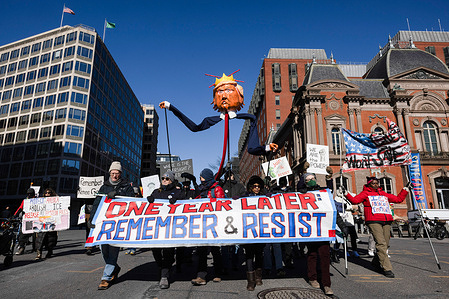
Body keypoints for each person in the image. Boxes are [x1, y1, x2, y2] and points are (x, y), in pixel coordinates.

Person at [343, 176, 409, 278]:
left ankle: (375, 262)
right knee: (381, 243)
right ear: (369, 184)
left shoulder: (383, 194)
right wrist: (346, 193)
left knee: (385, 244)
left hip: (386, 220)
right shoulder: (365, 193)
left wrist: (405, 189)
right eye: (373, 183)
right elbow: (355, 201)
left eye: (377, 183)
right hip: (373, 220)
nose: (375, 185)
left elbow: (398, 199)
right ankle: (387, 268)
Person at [298, 171, 347, 296]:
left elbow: (332, 210)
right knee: (312, 254)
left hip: (323, 229)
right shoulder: (302, 193)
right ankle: (313, 278)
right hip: (310, 230)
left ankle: (326, 284)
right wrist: (302, 190)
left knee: (325, 256)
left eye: (313, 178)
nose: (312, 180)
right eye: (308, 179)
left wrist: (342, 226)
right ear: (305, 182)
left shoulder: (324, 193)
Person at [90, 161, 134, 290]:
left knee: (113, 249)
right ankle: (114, 267)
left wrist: (118, 197)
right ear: (110, 173)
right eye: (113, 173)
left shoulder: (126, 186)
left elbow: (131, 202)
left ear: (120, 174)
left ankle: (106, 278)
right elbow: (97, 204)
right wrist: (92, 220)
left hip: (118, 223)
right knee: (104, 250)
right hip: (104, 223)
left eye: (117, 173)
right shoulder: (104, 187)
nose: (114, 175)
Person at [147, 170, 185, 289]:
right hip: (157, 227)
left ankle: (164, 275)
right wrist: (149, 200)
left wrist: (178, 201)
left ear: (172, 180)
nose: (164, 180)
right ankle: (162, 266)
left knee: (168, 251)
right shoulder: (156, 192)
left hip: (171, 227)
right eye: (163, 178)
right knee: (156, 250)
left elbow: (187, 206)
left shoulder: (178, 192)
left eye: (167, 179)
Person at [191, 168, 225, 286]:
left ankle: (218, 273)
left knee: (215, 250)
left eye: (202, 177)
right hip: (203, 225)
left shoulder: (217, 189)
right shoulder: (201, 190)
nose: (201, 179)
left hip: (214, 224)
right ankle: (201, 276)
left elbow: (222, 204)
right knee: (202, 251)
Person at [243, 175, 266, 291]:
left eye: (258, 186)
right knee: (249, 255)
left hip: (260, 230)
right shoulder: (244, 197)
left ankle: (258, 276)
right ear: (250, 187)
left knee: (259, 254)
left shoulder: (264, 197)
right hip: (248, 230)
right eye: (254, 186)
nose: (256, 188)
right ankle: (250, 281)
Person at [34, 188, 58, 260]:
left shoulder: (55, 201)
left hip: (51, 222)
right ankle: (39, 253)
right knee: (40, 238)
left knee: (51, 238)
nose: (48, 194)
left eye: (49, 193)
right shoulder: (41, 201)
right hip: (42, 223)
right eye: (46, 193)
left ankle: (50, 251)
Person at [14, 188, 37, 255]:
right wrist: (15, 215)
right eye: (28, 194)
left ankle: (36, 248)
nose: (29, 195)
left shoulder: (38, 200)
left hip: (36, 220)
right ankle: (21, 248)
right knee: (23, 234)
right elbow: (20, 208)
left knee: (35, 235)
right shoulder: (25, 201)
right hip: (28, 220)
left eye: (31, 194)